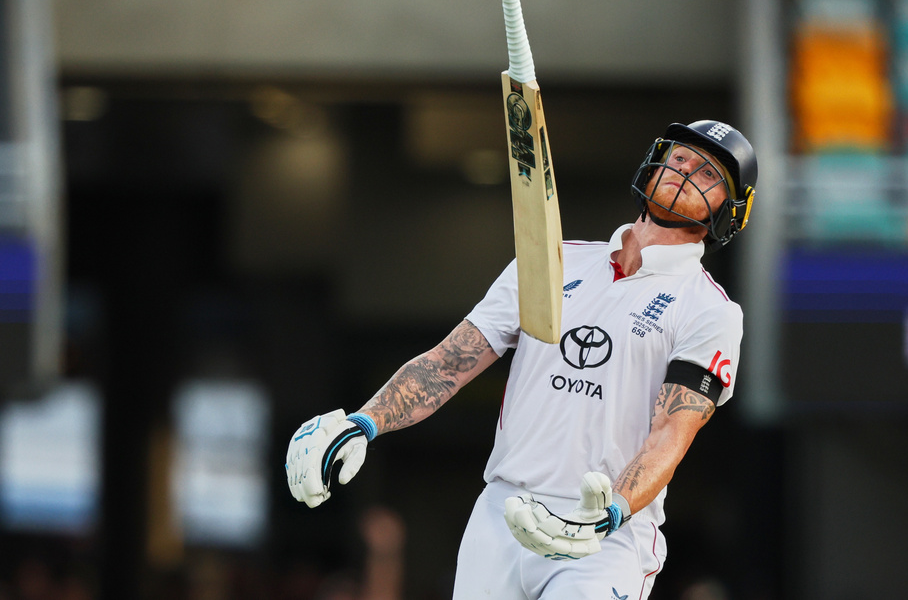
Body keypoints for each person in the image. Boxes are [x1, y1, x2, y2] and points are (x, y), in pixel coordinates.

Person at [286, 120, 758, 600]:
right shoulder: (553, 262)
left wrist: (609, 512)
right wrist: (363, 422)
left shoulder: (710, 310)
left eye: (707, 171)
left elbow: (669, 436)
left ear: (729, 210)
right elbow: (449, 363)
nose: (684, 170)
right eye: (679, 157)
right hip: (500, 515)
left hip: (602, 535)